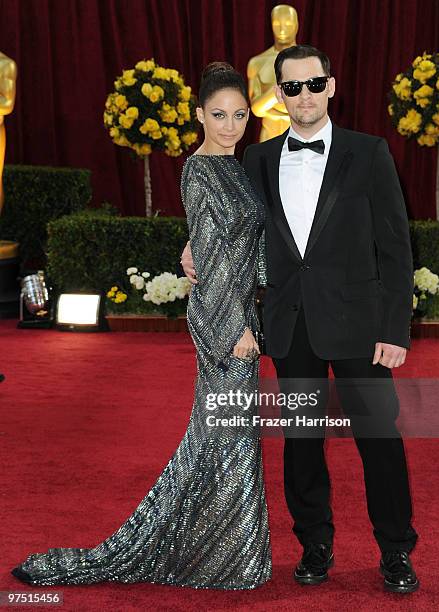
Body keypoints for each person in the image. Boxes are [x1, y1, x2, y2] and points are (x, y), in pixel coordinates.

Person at [11, 62, 272, 590]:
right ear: (199, 115)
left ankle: (221, 552)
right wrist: (232, 329)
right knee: (227, 436)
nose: (229, 125)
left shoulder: (235, 165)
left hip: (242, 314)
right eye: (218, 115)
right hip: (224, 324)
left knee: (219, 438)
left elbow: (238, 244)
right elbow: (216, 256)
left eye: (239, 115)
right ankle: (223, 558)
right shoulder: (200, 169)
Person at [181, 44, 419, 594]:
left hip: (361, 326)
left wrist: (394, 330)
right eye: (291, 88)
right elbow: (231, 226)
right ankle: (314, 544)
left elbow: (396, 247)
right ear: (280, 94)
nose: (304, 96)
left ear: (331, 86)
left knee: (379, 440)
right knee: (302, 442)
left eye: (313, 85)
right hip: (292, 324)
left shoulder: (370, 152)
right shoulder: (259, 159)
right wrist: (188, 246)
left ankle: (395, 551)